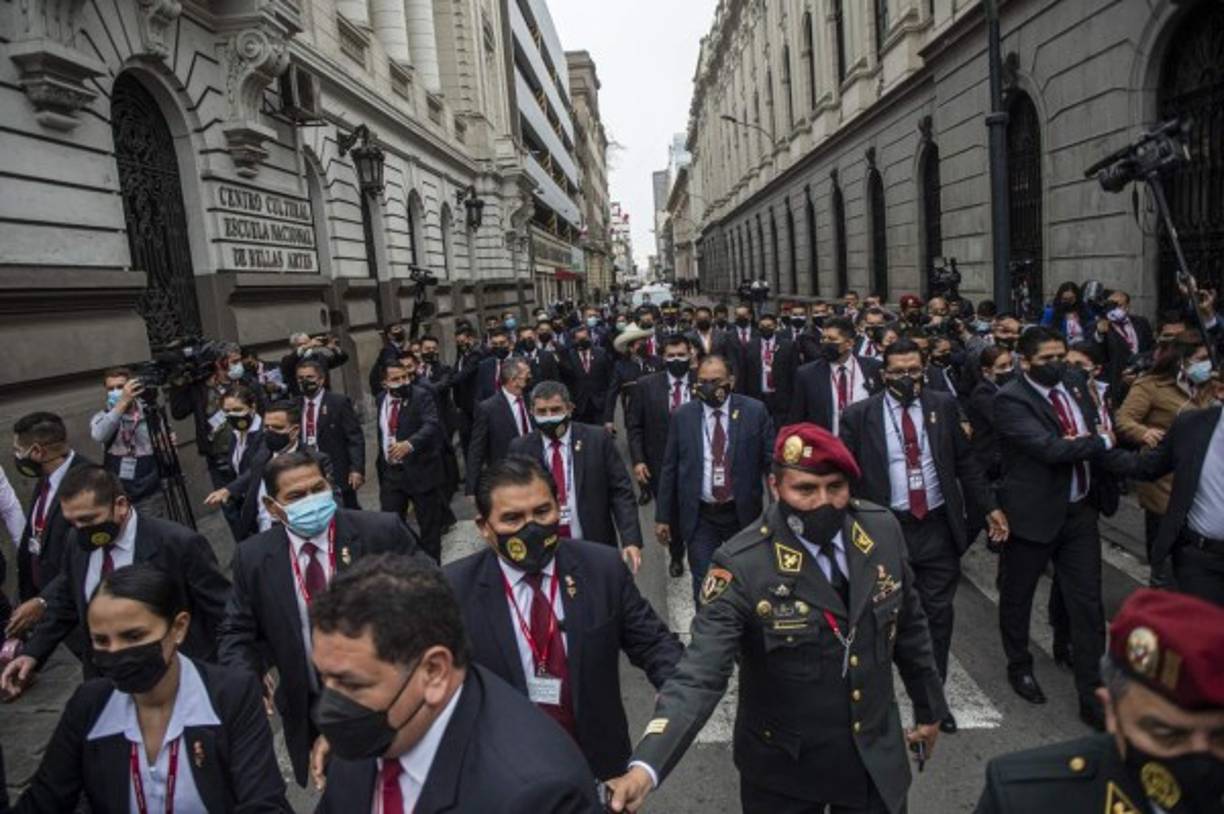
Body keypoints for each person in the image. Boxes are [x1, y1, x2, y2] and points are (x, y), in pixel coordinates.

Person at [606, 423, 948, 814]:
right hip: (785, 772)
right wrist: (646, 767)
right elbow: (700, 673)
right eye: (805, 489)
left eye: (835, 487)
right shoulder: (742, 564)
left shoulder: (881, 528)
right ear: (776, 486)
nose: (823, 502)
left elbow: (910, 627)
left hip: (872, 760)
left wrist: (928, 708)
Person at [444, 457, 682, 782]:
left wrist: (675, 690)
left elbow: (655, 644)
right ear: (485, 527)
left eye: (542, 512)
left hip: (600, 773)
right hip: (504, 780)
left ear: (559, 508)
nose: (531, 528)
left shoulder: (602, 569)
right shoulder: (454, 590)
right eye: (512, 518)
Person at [311, 554, 601, 812]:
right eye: (325, 679)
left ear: (434, 671)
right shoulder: (364, 735)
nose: (331, 707)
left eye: (352, 684)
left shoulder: (538, 795)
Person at [218, 450, 422, 788]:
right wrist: (245, 676)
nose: (311, 501)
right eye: (296, 496)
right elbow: (237, 629)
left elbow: (432, 596)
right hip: (314, 709)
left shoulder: (379, 532)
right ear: (272, 507)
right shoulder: (253, 557)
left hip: (391, 698)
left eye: (317, 489)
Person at [14, 564, 290, 812]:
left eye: (133, 636)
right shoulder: (89, 705)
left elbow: (262, 801)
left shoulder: (230, 695)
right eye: (101, 641)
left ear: (178, 628)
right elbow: (45, 798)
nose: (117, 652)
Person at [839, 339, 1008, 732]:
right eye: (897, 371)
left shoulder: (942, 406)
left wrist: (989, 508)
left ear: (924, 370)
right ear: (883, 375)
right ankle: (873, 701)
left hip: (934, 526)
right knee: (878, 616)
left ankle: (932, 702)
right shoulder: (859, 415)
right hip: (884, 529)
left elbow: (965, 463)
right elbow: (845, 476)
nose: (906, 378)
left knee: (938, 615)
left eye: (914, 370)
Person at [975, 588, 1224, 814]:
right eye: (1166, 734)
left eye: (1219, 737)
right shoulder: (1024, 802)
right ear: (1111, 710)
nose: (1199, 760)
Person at [1, 466, 230, 696]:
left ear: (120, 505)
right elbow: (68, 598)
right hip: (107, 685)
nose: (82, 529)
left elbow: (224, 611)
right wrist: (32, 653)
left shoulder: (177, 544)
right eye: (73, 522)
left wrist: (236, 674)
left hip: (175, 682)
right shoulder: (76, 542)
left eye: (89, 519)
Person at [994, 326, 1118, 728]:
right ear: (1024, 362)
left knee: (1086, 604)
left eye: (1060, 356)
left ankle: (1092, 694)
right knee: (1018, 596)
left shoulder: (1075, 382)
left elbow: (1088, 426)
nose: (1056, 365)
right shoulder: (1010, 399)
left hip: (1079, 513)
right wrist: (1099, 442)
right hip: (1031, 515)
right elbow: (1049, 448)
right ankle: (1019, 665)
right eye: (1046, 359)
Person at [656, 355, 774, 600]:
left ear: (731, 380)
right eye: (703, 381)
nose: (709, 386)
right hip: (701, 516)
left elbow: (770, 463)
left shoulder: (754, 411)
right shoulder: (683, 416)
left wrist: (779, 507)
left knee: (745, 577)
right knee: (705, 581)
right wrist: (663, 516)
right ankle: (708, 633)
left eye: (716, 380)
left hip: (742, 513)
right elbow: (670, 467)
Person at [1107, 373, 1224, 604]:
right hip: (1200, 562)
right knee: (1196, 636)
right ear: (1220, 389)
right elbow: (1147, 467)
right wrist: (1095, 449)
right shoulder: (1191, 425)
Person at [509, 381, 643, 572]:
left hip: (594, 545)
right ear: (532, 412)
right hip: (544, 552)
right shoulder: (520, 448)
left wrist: (631, 540)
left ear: (570, 409)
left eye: (555, 410)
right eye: (542, 411)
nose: (549, 418)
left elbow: (620, 492)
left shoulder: (597, 440)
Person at [1115, 332, 1213, 588]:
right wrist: (1144, 432)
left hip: (1201, 476)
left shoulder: (1210, 388)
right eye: (1201, 359)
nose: (1208, 366)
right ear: (1182, 360)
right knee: (1166, 545)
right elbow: (1124, 420)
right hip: (1162, 479)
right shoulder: (1150, 386)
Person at [7, 411, 94, 640]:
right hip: (51, 603)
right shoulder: (47, 480)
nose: (16, 455)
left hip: (79, 607)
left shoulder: (89, 480)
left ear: (37, 451)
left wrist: (44, 600)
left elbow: (87, 553)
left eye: (18, 450)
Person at [205, 400, 334, 539]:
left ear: (295, 430)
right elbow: (253, 472)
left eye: (277, 428)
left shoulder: (316, 460)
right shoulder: (263, 452)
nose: (269, 432)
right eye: (266, 427)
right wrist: (229, 490)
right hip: (260, 529)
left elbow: (331, 501)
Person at [628, 335, 694, 577]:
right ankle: (676, 555)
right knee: (671, 513)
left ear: (691, 354)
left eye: (681, 355)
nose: (677, 360)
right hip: (661, 463)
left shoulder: (702, 382)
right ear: (663, 357)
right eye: (671, 356)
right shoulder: (646, 385)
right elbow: (634, 426)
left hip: (697, 461)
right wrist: (638, 460)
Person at [168, 342, 263, 505]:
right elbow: (178, 412)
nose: (238, 365)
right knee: (229, 506)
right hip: (219, 458)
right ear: (219, 363)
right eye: (233, 361)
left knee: (255, 499)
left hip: (250, 451)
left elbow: (265, 412)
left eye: (238, 360)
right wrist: (179, 383)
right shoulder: (201, 388)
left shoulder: (249, 383)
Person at [375, 357, 444, 562]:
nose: (404, 382)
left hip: (420, 470)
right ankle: (413, 556)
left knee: (430, 527)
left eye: (406, 376)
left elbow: (431, 424)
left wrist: (409, 444)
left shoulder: (421, 396)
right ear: (385, 384)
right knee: (390, 522)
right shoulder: (380, 399)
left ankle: (433, 569)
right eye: (397, 379)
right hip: (391, 474)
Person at [89, 367, 165, 518]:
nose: (116, 391)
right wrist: (121, 404)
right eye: (111, 388)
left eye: (121, 387)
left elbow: (162, 442)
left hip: (148, 489)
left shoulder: (150, 414)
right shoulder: (103, 417)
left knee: (149, 533)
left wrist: (164, 444)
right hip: (119, 491)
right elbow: (99, 435)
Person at [789, 316, 884, 433]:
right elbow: (797, 418)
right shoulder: (807, 374)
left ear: (849, 343)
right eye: (823, 339)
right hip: (826, 444)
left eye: (832, 339)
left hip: (863, 444)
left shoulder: (873, 368)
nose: (825, 343)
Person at [296, 358, 365, 510]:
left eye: (310, 377)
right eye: (301, 378)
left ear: (321, 379)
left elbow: (354, 438)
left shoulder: (338, 402)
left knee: (347, 512)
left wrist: (356, 469)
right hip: (307, 470)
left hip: (336, 470)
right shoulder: (295, 405)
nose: (305, 382)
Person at [466, 357, 533, 496]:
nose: (530, 378)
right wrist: (471, 488)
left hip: (535, 471)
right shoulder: (487, 408)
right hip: (507, 477)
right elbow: (476, 449)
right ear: (514, 380)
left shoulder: (532, 400)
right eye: (526, 376)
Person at [741, 312, 799, 428]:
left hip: (781, 397)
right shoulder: (750, 346)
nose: (766, 329)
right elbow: (745, 373)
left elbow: (794, 372)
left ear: (776, 326)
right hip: (758, 395)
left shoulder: (787, 345)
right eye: (763, 326)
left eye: (769, 326)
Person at [1090, 289, 1154, 392]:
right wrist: (1100, 333)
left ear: (1127, 307)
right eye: (1111, 306)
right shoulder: (1100, 325)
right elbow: (1097, 353)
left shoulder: (1141, 322)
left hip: (1142, 377)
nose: (1114, 310)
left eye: (1118, 306)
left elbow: (1151, 347)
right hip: (1116, 380)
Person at [559, 324, 612, 427]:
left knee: (600, 436)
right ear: (574, 340)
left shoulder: (601, 353)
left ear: (589, 337)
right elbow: (565, 380)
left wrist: (607, 400)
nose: (583, 341)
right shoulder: (568, 356)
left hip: (599, 403)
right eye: (579, 339)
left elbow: (609, 378)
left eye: (585, 338)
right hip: (579, 405)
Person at [280, 331, 348, 396]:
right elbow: (288, 363)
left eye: (309, 342)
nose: (309, 346)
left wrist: (334, 348)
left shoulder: (319, 357)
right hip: (302, 400)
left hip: (324, 398)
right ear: (293, 347)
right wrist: (307, 346)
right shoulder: (288, 360)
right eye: (303, 344)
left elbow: (341, 359)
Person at [475, 328, 513, 402]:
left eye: (502, 343)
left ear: (510, 343)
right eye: (495, 344)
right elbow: (480, 395)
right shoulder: (484, 366)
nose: (498, 346)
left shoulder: (522, 362)